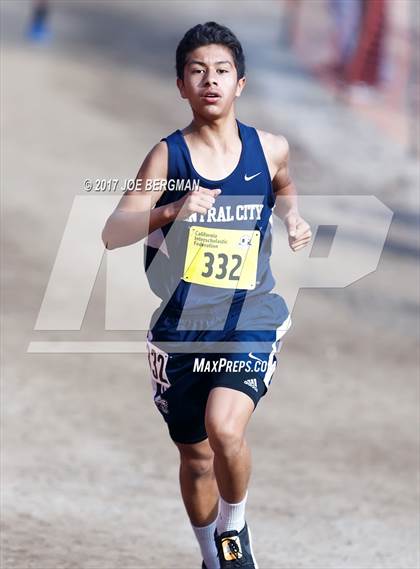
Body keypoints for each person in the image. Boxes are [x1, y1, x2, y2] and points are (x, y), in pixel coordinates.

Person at [102, 22, 312, 569]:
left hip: (250, 315)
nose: (210, 81)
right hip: (182, 328)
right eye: (197, 72)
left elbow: (284, 186)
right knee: (196, 458)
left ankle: (233, 534)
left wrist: (292, 218)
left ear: (240, 83)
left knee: (225, 428)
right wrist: (171, 209)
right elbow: (114, 231)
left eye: (221, 71)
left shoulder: (270, 149)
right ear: (181, 86)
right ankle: (211, 559)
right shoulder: (167, 157)